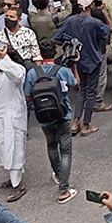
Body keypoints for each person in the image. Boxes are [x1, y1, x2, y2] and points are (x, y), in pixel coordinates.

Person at [23, 42, 79, 204]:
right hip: (63, 114)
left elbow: (27, 95)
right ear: (55, 53)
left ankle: (58, 174)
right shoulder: (62, 71)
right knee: (66, 150)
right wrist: (74, 64)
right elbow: (76, 83)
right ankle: (64, 188)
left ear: (40, 53)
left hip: (44, 117)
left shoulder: (33, 73)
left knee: (51, 145)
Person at [55, 0, 112, 135]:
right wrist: (104, 12)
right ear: (91, 5)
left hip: (78, 59)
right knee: (91, 92)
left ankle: (75, 122)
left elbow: (57, 37)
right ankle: (87, 124)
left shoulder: (70, 21)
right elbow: (110, 29)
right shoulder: (94, 22)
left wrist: (71, 43)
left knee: (82, 90)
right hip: (93, 59)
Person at [0, 38, 28, 202]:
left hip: (12, 116)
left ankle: (18, 186)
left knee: (14, 149)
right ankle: (13, 178)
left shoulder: (15, 68)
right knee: (4, 147)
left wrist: (3, 58)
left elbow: (16, 75)